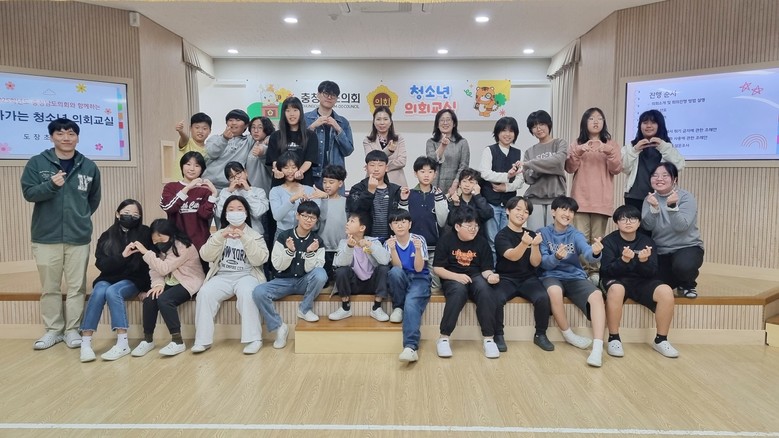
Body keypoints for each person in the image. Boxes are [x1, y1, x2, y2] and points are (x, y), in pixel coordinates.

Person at [21, 117, 101, 350]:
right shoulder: (37, 163)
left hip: (78, 236)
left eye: (71, 133)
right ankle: (53, 330)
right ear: (51, 137)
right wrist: (51, 185)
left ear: (77, 137)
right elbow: (29, 193)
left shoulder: (89, 166)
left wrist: (80, 217)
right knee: (50, 287)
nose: (66, 138)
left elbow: (93, 199)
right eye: (60, 133)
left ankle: (72, 330)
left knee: (77, 287)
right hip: (46, 236)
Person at [192, 195, 270, 354]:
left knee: (248, 294)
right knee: (204, 293)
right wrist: (220, 237)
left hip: (247, 275)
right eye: (231, 209)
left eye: (239, 209)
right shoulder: (219, 234)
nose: (235, 213)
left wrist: (245, 238)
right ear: (225, 214)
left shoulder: (254, 235)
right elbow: (205, 255)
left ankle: (254, 339)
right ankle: (202, 341)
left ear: (246, 213)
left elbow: (260, 259)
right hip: (222, 276)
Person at [600, 205, 679, 358]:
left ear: (639, 222)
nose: (628, 222)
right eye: (623, 219)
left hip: (641, 281)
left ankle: (661, 340)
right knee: (617, 289)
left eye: (632, 219)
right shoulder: (609, 241)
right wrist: (623, 260)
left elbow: (652, 272)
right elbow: (606, 271)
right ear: (616, 222)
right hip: (616, 279)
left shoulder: (647, 241)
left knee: (666, 291)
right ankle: (614, 338)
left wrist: (644, 261)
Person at [79, 199, 151, 362]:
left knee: (113, 291)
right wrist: (122, 256)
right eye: (126, 213)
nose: (131, 217)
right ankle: (86, 343)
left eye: (135, 214)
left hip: (133, 279)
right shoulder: (107, 235)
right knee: (99, 291)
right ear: (117, 214)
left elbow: (149, 263)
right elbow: (102, 264)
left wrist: (146, 288)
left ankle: (122, 343)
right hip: (109, 276)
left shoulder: (145, 233)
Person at [539, 196, 606, 367]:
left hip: (574, 276)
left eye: (571, 211)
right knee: (554, 291)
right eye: (563, 209)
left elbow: (588, 254)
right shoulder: (543, 233)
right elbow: (544, 263)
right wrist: (556, 257)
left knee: (597, 295)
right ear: (553, 212)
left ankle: (597, 348)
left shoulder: (575, 234)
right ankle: (569, 335)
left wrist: (595, 252)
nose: (567, 214)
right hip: (551, 275)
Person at [252, 201, 328, 349]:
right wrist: (289, 251)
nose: (308, 220)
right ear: (297, 215)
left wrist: (310, 252)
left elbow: (313, 269)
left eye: (313, 218)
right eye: (305, 216)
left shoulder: (317, 241)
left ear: (316, 221)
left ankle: (304, 309)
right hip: (283, 282)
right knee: (258, 292)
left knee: (321, 274)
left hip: (304, 281)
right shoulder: (284, 236)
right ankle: (279, 326)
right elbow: (278, 266)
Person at [432, 208, 502, 359]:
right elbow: (437, 268)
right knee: (458, 292)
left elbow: (486, 269)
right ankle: (444, 338)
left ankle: (489, 339)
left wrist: (491, 276)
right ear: (457, 226)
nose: (473, 229)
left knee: (485, 290)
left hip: (476, 276)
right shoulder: (446, 240)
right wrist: (456, 276)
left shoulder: (481, 242)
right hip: (452, 277)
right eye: (469, 226)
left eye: (476, 226)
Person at [564, 108, 623, 284]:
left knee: (597, 239)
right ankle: (582, 271)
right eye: (591, 118)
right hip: (580, 198)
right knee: (580, 238)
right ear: (585, 122)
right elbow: (569, 168)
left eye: (599, 118)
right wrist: (579, 151)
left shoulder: (611, 144)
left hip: (601, 200)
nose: (596, 121)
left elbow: (616, 169)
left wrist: (608, 151)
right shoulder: (576, 144)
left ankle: (595, 272)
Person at [131, 219, 205, 357]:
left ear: (171, 234)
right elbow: (155, 270)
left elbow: (164, 268)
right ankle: (147, 340)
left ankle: (177, 341)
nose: (158, 243)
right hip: (169, 281)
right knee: (150, 299)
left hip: (189, 280)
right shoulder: (157, 249)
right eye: (155, 240)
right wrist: (158, 284)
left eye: (162, 239)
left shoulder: (183, 246)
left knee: (165, 300)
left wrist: (146, 252)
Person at [493, 196, 554, 352]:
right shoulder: (501, 236)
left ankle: (540, 334)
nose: (522, 214)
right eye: (518, 209)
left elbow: (535, 263)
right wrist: (524, 243)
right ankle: (498, 335)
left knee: (542, 297)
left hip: (528, 279)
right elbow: (512, 256)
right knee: (496, 298)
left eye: (526, 211)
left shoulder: (531, 234)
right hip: (506, 278)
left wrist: (535, 246)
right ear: (508, 211)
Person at [642, 162, 704, 298]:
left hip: (687, 247)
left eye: (665, 175)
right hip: (661, 250)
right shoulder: (649, 199)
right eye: (655, 175)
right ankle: (678, 280)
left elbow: (681, 227)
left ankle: (688, 284)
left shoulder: (686, 197)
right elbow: (647, 226)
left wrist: (672, 206)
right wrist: (654, 209)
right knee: (652, 281)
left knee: (683, 266)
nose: (659, 179)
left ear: (674, 179)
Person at [385, 210, 431, 363]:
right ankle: (398, 307)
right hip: (402, 277)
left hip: (419, 278)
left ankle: (410, 347)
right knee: (394, 272)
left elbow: (419, 268)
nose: (400, 225)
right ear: (391, 226)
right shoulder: (389, 243)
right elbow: (397, 267)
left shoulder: (419, 239)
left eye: (403, 222)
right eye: (396, 222)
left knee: (411, 303)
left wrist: (417, 249)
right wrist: (392, 249)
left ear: (410, 224)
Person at [329, 211, 391, 321]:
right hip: (354, 284)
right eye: (348, 221)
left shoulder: (373, 241)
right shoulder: (343, 242)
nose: (347, 223)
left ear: (362, 228)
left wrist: (370, 245)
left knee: (384, 268)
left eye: (352, 221)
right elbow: (339, 263)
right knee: (341, 271)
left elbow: (385, 260)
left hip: (372, 283)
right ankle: (345, 308)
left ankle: (377, 308)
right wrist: (349, 247)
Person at [478, 117, 525, 258]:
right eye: (504, 130)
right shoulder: (489, 150)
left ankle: (505, 269)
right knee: (492, 241)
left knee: (507, 241)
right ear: (497, 132)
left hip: (509, 205)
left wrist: (506, 188)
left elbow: (520, 180)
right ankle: (492, 268)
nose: (507, 134)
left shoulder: (519, 153)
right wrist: (506, 176)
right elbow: (485, 173)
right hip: (491, 203)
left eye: (511, 131)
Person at [623, 109, 685, 213]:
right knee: (634, 223)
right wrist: (635, 150)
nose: (648, 126)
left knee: (657, 223)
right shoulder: (631, 146)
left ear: (660, 125)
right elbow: (624, 168)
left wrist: (663, 147)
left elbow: (679, 166)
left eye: (653, 122)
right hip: (634, 196)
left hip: (659, 196)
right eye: (645, 122)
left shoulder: (666, 147)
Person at [160, 151, 217, 254]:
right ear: (182, 166)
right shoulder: (170, 187)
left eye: (197, 165)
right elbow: (168, 207)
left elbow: (205, 215)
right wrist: (187, 188)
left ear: (202, 169)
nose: (192, 169)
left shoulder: (205, 190)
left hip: (200, 245)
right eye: (188, 164)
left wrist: (213, 195)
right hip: (177, 244)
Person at [406, 156, 448, 289]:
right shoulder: (409, 194)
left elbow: (442, 221)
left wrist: (439, 199)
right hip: (413, 247)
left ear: (435, 174)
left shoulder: (439, 195)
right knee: (412, 283)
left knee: (435, 286)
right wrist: (403, 200)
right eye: (422, 171)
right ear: (415, 173)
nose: (426, 175)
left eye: (430, 172)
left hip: (434, 247)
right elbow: (403, 221)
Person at [305, 80, 354, 191]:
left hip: (335, 176)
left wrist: (338, 128)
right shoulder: (306, 119)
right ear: (318, 95)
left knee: (337, 203)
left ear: (336, 99)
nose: (329, 97)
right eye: (326, 93)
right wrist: (312, 127)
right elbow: (300, 146)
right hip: (311, 175)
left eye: (333, 95)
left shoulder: (343, 122)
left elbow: (348, 150)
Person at [523, 110, 568, 231]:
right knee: (535, 236)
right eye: (534, 126)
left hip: (556, 198)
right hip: (534, 199)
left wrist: (532, 165)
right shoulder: (529, 151)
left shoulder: (560, 143)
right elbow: (528, 178)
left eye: (541, 124)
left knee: (555, 236)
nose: (538, 129)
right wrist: (547, 166)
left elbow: (558, 162)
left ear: (548, 124)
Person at [346, 150, 406, 241]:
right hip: (365, 240)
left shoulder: (395, 190)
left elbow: (402, 216)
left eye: (380, 165)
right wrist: (370, 191)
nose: (376, 169)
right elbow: (355, 211)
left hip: (391, 240)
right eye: (372, 165)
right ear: (366, 167)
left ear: (386, 168)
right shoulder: (358, 188)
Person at [268, 152, 324, 239]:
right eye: (286, 168)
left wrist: (324, 197)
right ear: (280, 169)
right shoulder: (275, 191)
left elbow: (318, 216)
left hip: (306, 234)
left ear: (299, 168)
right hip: (283, 233)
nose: (290, 171)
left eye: (294, 167)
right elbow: (277, 216)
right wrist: (292, 199)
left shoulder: (310, 190)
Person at [267, 96, 319, 187]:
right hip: (281, 183)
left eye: (295, 110)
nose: (292, 114)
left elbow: (309, 160)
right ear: (283, 113)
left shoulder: (311, 135)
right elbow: (274, 160)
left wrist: (300, 172)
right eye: (288, 111)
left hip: (303, 182)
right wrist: (277, 171)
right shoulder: (275, 136)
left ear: (301, 112)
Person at [202, 109, 252, 190]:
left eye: (238, 120)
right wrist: (224, 139)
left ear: (246, 125)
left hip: (234, 187)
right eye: (230, 120)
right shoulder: (214, 138)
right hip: (209, 185)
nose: (234, 123)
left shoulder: (248, 141)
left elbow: (263, 135)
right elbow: (211, 153)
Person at [216, 161, 269, 236]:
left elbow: (257, 213)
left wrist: (248, 191)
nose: (237, 178)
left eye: (238, 173)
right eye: (232, 177)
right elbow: (219, 214)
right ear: (228, 180)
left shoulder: (258, 191)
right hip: (230, 234)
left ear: (245, 172)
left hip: (253, 234)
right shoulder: (225, 192)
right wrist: (228, 192)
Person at [426, 109, 470, 198]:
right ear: (437, 124)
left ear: (454, 124)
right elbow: (431, 162)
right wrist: (442, 146)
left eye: (448, 120)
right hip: (433, 186)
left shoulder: (462, 142)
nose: (445, 123)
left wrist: (455, 185)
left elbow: (464, 166)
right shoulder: (431, 142)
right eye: (442, 120)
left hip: (454, 187)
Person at [317, 164, 348, 284]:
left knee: (340, 280)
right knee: (324, 282)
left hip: (341, 248)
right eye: (324, 182)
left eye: (331, 182)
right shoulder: (319, 201)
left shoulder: (346, 202)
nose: (327, 185)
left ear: (340, 183)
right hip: (323, 249)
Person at [363, 105, 407, 186]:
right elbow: (371, 160)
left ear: (390, 122)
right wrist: (388, 151)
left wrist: (379, 166)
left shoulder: (398, 139)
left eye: (385, 119)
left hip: (396, 182)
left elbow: (402, 161)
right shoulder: (368, 140)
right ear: (374, 122)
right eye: (378, 119)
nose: (382, 122)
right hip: (374, 182)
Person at [445, 168, 493, 240]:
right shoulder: (454, 200)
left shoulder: (479, 200)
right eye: (464, 181)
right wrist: (456, 205)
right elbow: (451, 222)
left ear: (477, 185)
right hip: (457, 239)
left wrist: (478, 196)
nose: (467, 185)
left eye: (471, 182)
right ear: (459, 184)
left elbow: (488, 214)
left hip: (477, 238)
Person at [245, 116, 275, 195]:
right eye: (253, 127)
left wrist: (261, 152)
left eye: (260, 127)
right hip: (249, 190)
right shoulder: (251, 142)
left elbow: (265, 150)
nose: (256, 131)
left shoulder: (271, 143)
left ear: (267, 129)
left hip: (264, 192)